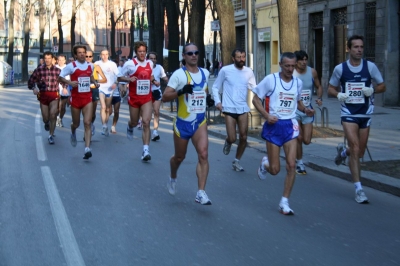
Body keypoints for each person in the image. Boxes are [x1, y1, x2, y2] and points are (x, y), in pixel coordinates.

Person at [328, 35, 386, 204]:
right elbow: (330, 88)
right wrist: (338, 94)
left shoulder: (370, 67)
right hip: (348, 113)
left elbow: (383, 85)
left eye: (361, 47)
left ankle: (342, 152)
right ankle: (359, 189)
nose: (359, 50)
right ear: (348, 49)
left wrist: (373, 90)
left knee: (358, 152)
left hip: (365, 113)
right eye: (356, 47)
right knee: (355, 146)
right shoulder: (340, 69)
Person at [252, 52, 312, 215]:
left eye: (293, 66)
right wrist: (266, 115)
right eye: (287, 66)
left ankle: (284, 202)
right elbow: (255, 99)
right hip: (274, 126)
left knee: (291, 165)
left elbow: (297, 102)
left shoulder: (297, 83)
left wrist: (306, 109)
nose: (290, 69)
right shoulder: (271, 80)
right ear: (280, 64)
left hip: (290, 125)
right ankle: (265, 164)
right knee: (275, 170)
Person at [162, 43, 214, 205]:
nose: (193, 55)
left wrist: (208, 100)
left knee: (203, 154)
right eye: (190, 53)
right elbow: (165, 96)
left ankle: (201, 192)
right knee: (179, 157)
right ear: (183, 56)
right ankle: (173, 176)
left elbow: (204, 93)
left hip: (199, 121)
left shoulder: (205, 73)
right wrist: (181, 91)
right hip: (183, 123)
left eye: (196, 53)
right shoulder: (179, 75)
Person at [211, 48, 256, 171]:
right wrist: (218, 102)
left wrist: (266, 93)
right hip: (229, 107)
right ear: (233, 58)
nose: (242, 60)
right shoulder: (225, 70)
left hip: (242, 108)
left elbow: (254, 87)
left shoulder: (249, 72)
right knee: (232, 138)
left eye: (243, 57)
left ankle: (236, 161)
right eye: (239, 57)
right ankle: (228, 141)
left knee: (244, 137)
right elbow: (215, 87)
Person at [58, 45, 99, 159]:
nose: (82, 54)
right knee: (76, 123)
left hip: (87, 98)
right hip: (75, 99)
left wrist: (94, 82)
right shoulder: (72, 66)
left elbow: (90, 76)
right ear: (75, 55)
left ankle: (87, 148)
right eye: (79, 53)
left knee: (87, 122)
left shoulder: (90, 66)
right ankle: (73, 132)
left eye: (83, 52)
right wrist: (70, 83)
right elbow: (60, 77)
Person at [118, 41, 155, 161]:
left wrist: (153, 79)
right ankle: (130, 126)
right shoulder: (130, 64)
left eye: (144, 51)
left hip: (146, 97)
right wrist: (128, 79)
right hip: (134, 98)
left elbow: (150, 76)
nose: (142, 53)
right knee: (134, 122)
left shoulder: (149, 63)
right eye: (140, 51)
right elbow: (119, 77)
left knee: (146, 122)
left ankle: (145, 150)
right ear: (136, 52)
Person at [293, 50, 323, 174]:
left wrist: (319, 98)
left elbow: (319, 86)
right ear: (296, 61)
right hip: (294, 111)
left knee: (307, 140)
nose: (304, 62)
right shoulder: (291, 73)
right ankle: (299, 163)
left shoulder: (312, 71)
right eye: (301, 60)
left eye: (306, 59)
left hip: (308, 110)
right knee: (299, 137)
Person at [28, 51, 61, 144]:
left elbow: (63, 81)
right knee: (45, 117)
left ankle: (51, 135)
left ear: (52, 59)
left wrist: (66, 88)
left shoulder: (57, 70)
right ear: (43, 59)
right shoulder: (39, 70)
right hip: (43, 95)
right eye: (45, 58)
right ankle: (47, 123)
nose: (47, 60)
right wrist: (34, 88)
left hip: (54, 94)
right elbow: (31, 81)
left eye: (49, 58)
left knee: (53, 114)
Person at [95, 49, 121, 136]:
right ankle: (104, 126)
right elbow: (93, 75)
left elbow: (118, 75)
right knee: (103, 106)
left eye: (106, 54)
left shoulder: (112, 64)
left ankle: (106, 124)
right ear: (100, 55)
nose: (105, 56)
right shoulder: (97, 64)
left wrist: (115, 83)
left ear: (108, 55)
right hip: (101, 87)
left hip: (110, 89)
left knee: (107, 109)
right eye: (103, 54)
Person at [147, 52, 169, 141]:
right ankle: (146, 129)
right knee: (147, 114)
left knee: (156, 111)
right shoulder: (144, 67)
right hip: (146, 92)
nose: (153, 60)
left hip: (156, 91)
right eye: (151, 58)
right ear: (147, 59)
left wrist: (170, 83)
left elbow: (164, 78)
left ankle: (155, 132)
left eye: (154, 59)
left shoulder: (159, 67)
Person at [86, 50, 108, 136]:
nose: (88, 58)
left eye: (90, 56)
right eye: (86, 56)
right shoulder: (81, 66)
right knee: (86, 111)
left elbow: (104, 79)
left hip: (94, 90)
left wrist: (96, 81)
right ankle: (87, 129)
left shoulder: (96, 66)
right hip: (84, 90)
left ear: (93, 57)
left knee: (93, 112)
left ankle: (91, 124)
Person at [55, 54, 69, 128]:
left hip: (65, 90)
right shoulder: (55, 68)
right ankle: (57, 118)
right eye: (59, 60)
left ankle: (60, 118)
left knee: (63, 107)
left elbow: (68, 80)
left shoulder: (68, 67)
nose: (60, 61)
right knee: (58, 106)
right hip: (56, 89)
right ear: (57, 61)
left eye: (62, 60)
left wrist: (65, 87)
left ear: (65, 61)